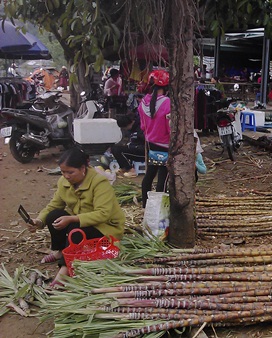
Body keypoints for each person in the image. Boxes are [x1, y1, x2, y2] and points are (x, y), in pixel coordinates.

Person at [28, 148, 125, 287]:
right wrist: (39, 221)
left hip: (106, 227)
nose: (66, 176)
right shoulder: (64, 182)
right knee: (54, 215)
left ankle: (65, 269)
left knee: (75, 228)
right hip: (82, 222)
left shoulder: (99, 183)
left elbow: (103, 213)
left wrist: (73, 219)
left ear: (83, 168)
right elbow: (54, 205)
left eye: (70, 172)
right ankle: (60, 252)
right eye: (63, 172)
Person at [138, 69, 171, 206]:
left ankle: (145, 205)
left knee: (150, 174)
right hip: (165, 145)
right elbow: (170, 127)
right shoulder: (167, 102)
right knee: (163, 177)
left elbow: (142, 127)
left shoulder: (142, 103)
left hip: (151, 143)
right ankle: (158, 208)